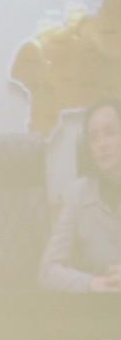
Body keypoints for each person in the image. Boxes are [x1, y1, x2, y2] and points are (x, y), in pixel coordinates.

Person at [39, 98, 121, 293]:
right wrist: (92, 284)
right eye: (94, 137)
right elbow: (47, 271)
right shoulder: (78, 194)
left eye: (110, 132)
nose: (102, 144)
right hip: (99, 305)